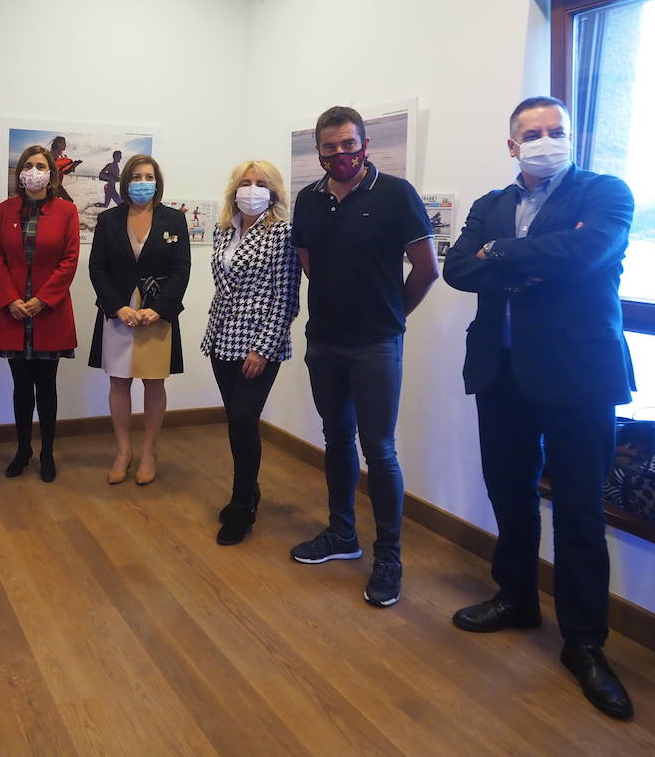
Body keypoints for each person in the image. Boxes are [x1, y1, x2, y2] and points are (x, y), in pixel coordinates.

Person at [444, 96, 635, 720]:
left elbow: (586, 258)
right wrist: (522, 260)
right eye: (533, 133)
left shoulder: (605, 194)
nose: (546, 140)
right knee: (510, 492)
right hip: (501, 373)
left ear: (572, 137)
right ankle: (517, 597)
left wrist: (496, 256)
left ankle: (585, 644)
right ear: (512, 146)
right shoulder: (490, 205)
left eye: (556, 131)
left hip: (578, 375)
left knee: (580, 511)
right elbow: (455, 269)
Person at [288, 106, 438, 609]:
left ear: (365, 144)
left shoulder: (396, 195)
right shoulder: (308, 200)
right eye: (329, 148)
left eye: (349, 145)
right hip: (324, 340)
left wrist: (393, 315)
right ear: (319, 151)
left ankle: (388, 557)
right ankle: (341, 534)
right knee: (335, 438)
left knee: (380, 450)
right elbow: (309, 262)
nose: (340, 155)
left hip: (377, 343)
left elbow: (426, 269)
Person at [200, 160, 300, 544]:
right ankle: (249, 490)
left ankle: (243, 504)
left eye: (260, 183)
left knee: (244, 418)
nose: (252, 189)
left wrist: (262, 348)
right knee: (236, 421)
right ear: (234, 189)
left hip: (259, 343)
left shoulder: (283, 233)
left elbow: (285, 298)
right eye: (246, 182)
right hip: (221, 337)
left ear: (273, 191)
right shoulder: (224, 229)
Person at [87, 154, 190, 487]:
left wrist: (159, 309)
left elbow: (181, 270)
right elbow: (97, 268)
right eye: (136, 176)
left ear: (157, 182)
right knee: (118, 381)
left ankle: (148, 452)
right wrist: (117, 306)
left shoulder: (174, 220)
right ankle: (123, 450)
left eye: (149, 176)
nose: (143, 182)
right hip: (120, 313)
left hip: (156, 315)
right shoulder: (108, 220)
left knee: (154, 382)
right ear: (125, 181)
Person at [0, 144, 80, 482]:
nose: (33, 171)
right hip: (13, 313)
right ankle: (23, 449)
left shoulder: (67, 212)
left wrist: (42, 299)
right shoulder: (4, 211)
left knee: (47, 385)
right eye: (28, 165)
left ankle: (48, 452)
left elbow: (69, 259)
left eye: (40, 165)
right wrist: (11, 298)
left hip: (49, 312)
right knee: (20, 386)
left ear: (52, 174)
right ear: (19, 173)